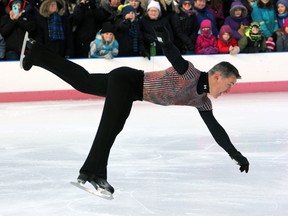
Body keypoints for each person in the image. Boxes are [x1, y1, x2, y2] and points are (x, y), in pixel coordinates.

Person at [20, 26, 249, 198]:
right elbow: (175, 57)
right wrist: (165, 41)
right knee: (111, 126)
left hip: (131, 89)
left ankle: (37, 54)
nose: (228, 90)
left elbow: (216, 130)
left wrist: (235, 154)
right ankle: (91, 173)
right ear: (217, 76)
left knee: (83, 82)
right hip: (128, 80)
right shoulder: (191, 74)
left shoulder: (202, 102)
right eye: (229, 84)